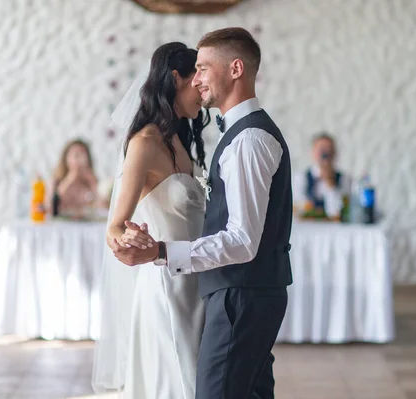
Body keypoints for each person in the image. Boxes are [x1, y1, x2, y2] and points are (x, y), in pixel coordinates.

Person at [113, 27, 293, 399]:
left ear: (236, 69)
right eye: (193, 71)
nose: (197, 80)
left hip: (237, 292)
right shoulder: (238, 136)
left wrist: (162, 251)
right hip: (213, 288)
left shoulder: (248, 139)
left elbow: (242, 240)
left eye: (204, 68)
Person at [91, 42, 210, 399]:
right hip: (165, 285)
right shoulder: (143, 142)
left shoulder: (179, 137)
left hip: (194, 281)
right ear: (176, 78)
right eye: (197, 80)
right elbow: (115, 224)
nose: (203, 92)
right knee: (177, 382)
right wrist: (128, 238)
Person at [294, 132, 351, 219]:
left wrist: (330, 183)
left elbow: (338, 212)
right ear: (313, 152)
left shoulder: (344, 180)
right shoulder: (301, 178)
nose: (326, 155)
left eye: (330, 150)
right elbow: (299, 209)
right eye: (322, 150)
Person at [50, 139, 108, 218]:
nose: (80, 160)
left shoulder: (91, 181)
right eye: (76, 155)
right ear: (66, 159)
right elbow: (51, 207)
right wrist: (70, 179)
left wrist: (93, 183)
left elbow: (105, 207)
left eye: (83, 155)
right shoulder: (56, 181)